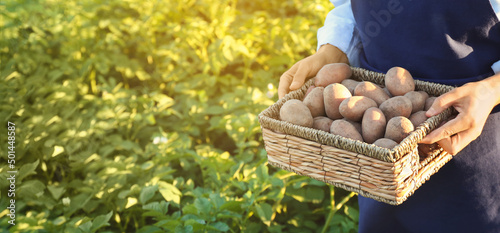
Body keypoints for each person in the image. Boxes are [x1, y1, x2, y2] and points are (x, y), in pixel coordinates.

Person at [278, 1, 500, 232]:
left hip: (469, 133)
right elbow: (353, 8)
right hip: (376, 151)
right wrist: (335, 48)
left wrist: (492, 90)